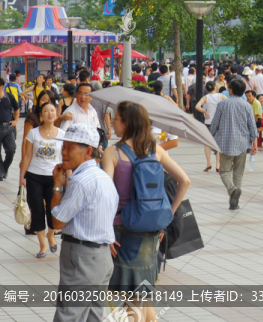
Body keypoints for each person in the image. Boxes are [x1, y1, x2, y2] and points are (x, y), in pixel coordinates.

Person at [103, 102, 190, 321]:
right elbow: (184, 181)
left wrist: (106, 233)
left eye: (117, 119)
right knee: (141, 295)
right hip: (151, 230)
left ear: (127, 123)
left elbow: (104, 196)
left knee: (131, 298)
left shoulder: (112, 152)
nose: (113, 122)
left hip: (122, 231)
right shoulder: (156, 150)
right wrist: (166, 216)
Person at [50, 124, 119, 322]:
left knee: (69, 315)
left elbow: (57, 221)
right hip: (102, 257)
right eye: (63, 147)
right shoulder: (103, 177)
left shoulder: (81, 181)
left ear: (88, 151)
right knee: (93, 315)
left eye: (70, 148)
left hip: (83, 257)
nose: (63, 152)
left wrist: (57, 186)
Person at [19, 101, 65, 258]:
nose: (50, 113)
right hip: (34, 176)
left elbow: (65, 158)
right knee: (37, 209)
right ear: (41, 115)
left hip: (54, 178)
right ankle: (43, 244)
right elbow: (27, 155)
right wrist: (21, 177)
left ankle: (51, 235)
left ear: (56, 114)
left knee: (53, 210)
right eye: (46, 111)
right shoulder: (33, 133)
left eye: (52, 110)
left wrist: (69, 177)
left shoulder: (62, 134)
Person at [210, 78, 259, 210]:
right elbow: (252, 127)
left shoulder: (222, 105)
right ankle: (235, 202)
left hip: (225, 143)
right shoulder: (247, 106)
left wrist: (210, 138)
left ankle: (232, 191)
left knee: (224, 171)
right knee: (238, 173)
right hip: (243, 144)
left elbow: (214, 125)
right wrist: (255, 143)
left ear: (230, 90)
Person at [196, 81, 226, 172]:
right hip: (219, 122)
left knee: (207, 143)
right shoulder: (221, 96)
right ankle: (218, 164)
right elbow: (228, 103)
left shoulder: (205, 97)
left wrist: (205, 112)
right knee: (218, 144)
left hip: (209, 122)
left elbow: (197, 106)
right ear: (215, 87)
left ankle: (209, 163)